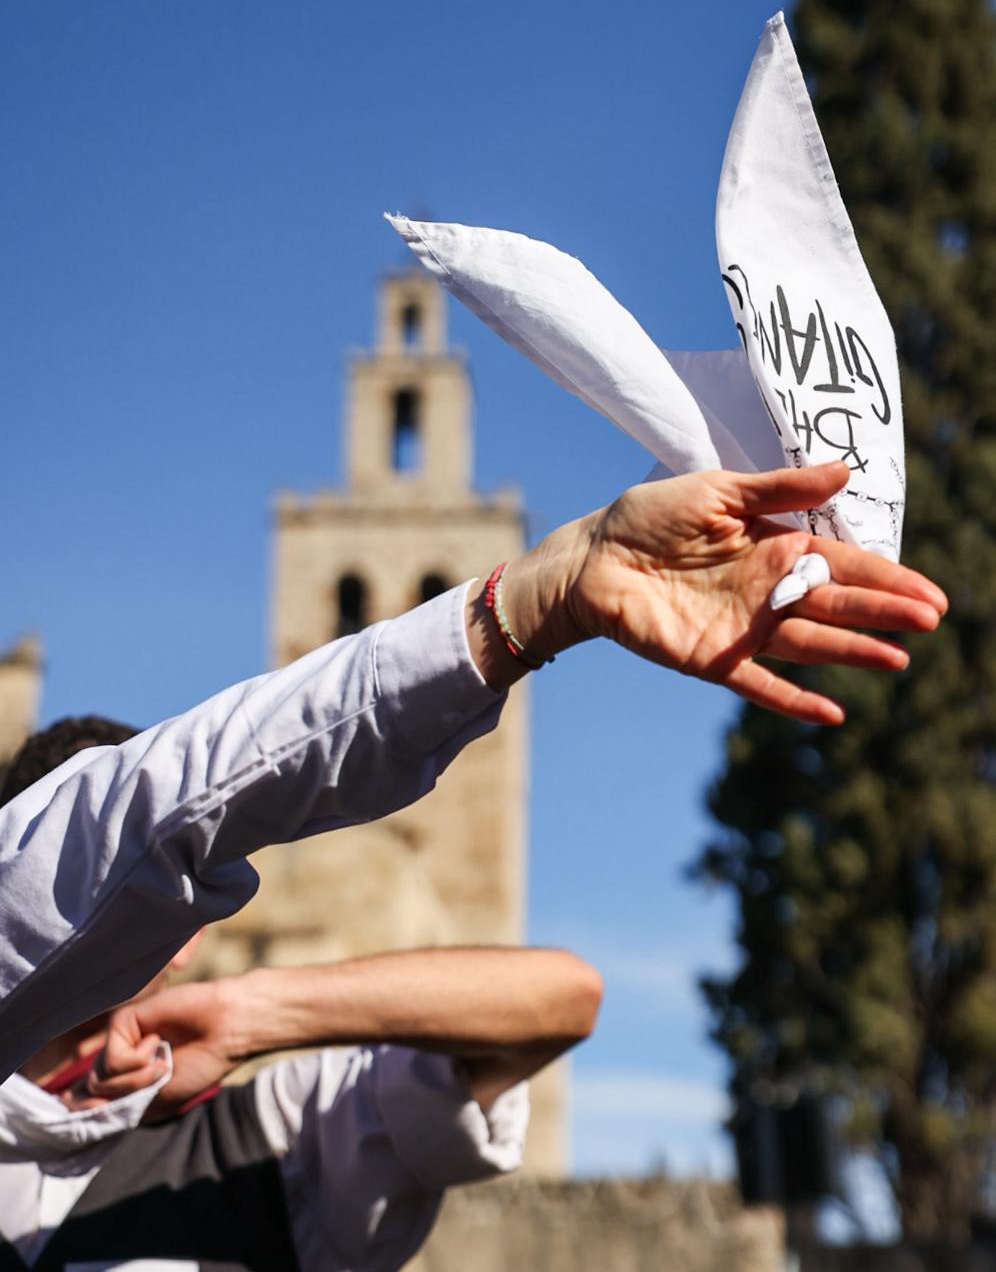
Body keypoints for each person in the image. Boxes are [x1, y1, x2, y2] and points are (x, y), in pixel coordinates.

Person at [0, 461, 946, 1083]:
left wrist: (252, 1016)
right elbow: (156, 811)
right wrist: (539, 599)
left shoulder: (256, 1133)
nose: (174, 928)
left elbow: (560, 997)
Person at [0, 920, 599, 1269]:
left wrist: (250, 1014)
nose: (82, 906)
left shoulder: (278, 1131)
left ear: (189, 933)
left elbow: (561, 998)